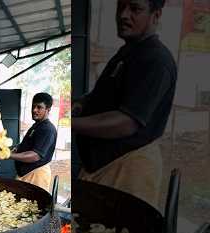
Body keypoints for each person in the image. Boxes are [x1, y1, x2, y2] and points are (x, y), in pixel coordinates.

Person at [72, 0, 177, 209]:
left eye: (135, 9)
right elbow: (107, 95)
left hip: (128, 168)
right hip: (105, 165)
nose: (124, 15)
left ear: (156, 15)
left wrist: (72, 123)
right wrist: (83, 102)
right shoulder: (128, 52)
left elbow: (126, 122)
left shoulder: (156, 59)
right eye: (121, 7)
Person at [10, 93, 57, 191]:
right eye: (33, 106)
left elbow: (35, 155)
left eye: (39, 107)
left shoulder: (47, 129)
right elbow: (28, 144)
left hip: (36, 176)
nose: (34, 110)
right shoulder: (36, 126)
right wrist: (17, 148)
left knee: (33, 205)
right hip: (26, 175)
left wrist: (8, 155)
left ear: (48, 110)